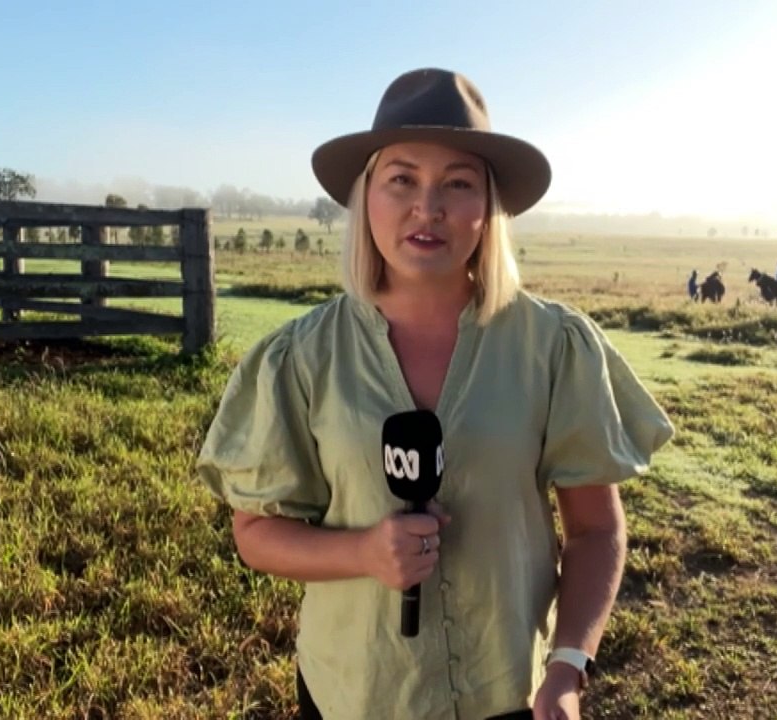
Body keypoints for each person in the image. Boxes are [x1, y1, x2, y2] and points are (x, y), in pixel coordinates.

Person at [195, 68, 674, 720]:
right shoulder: (301, 356)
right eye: (402, 180)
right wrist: (362, 551)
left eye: (457, 183)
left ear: (489, 208)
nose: (429, 208)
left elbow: (595, 530)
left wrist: (567, 668)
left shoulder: (554, 348)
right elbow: (254, 532)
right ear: (367, 198)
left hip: (507, 692)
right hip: (358, 694)